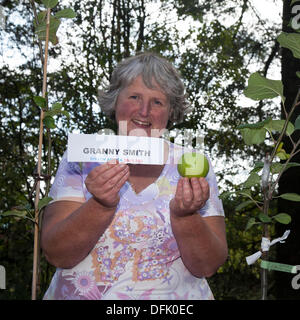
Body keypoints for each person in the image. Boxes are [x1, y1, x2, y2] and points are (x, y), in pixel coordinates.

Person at [41, 52, 228, 300]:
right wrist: (99, 204)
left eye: (158, 102)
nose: (144, 110)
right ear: (115, 101)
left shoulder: (191, 163)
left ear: (171, 111)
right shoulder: (83, 156)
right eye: (134, 97)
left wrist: (185, 216)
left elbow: (207, 265)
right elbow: (57, 253)